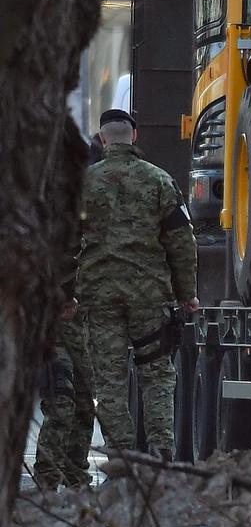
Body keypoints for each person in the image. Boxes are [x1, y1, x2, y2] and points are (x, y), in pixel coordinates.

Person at [79, 109, 198, 463]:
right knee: (157, 373)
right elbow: (181, 241)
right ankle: (161, 452)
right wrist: (186, 293)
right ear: (134, 136)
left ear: (102, 140)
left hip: (99, 298)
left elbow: (63, 240)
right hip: (150, 297)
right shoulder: (160, 181)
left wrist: (64, 290)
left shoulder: (85, 184)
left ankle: (122, 456)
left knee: (110, 379)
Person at [32, 136, 105, 489]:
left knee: (83, 400)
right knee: (60, 398)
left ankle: (75, 472)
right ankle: (47, 475)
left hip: (75, 318)